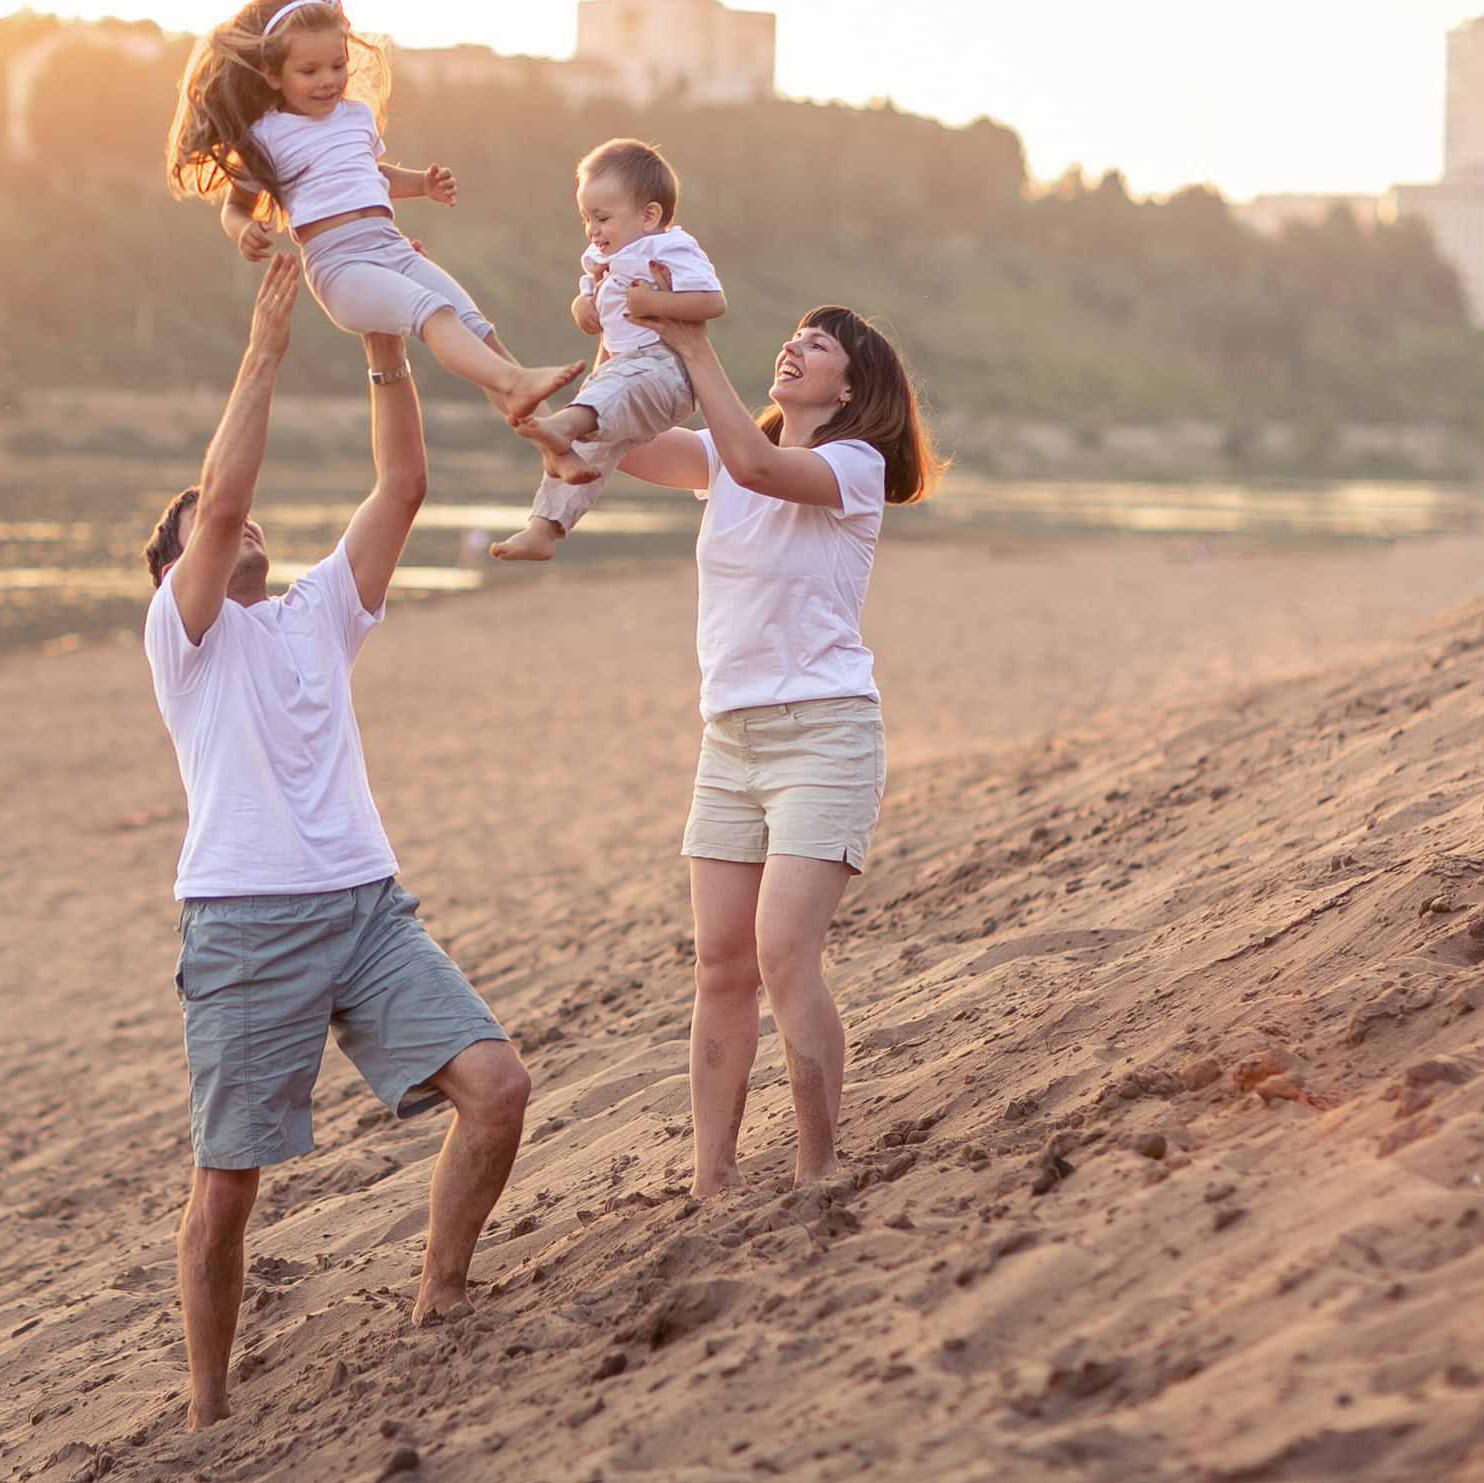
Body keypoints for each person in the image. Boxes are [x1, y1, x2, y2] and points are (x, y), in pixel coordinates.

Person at [140, 252, 533, 1428]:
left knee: (499, 1088)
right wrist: (263, 348)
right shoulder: (185, 636)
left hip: (366, 908)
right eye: (208, 527)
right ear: (171, 574)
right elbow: (215, 500)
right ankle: (210, 1408)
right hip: (245, 925)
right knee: (226, 1193)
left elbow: (402, 484)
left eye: (246, 518)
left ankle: (441, 1300)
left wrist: (381, 339)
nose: (237, 521)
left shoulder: (315, 609)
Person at [609, 281, 943, 1195]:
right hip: (730, 742)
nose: (797, 346)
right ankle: (711, 1179)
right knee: (720, 962)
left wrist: (693, 345)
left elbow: (758, 468)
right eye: (795, 334)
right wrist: (615, 329)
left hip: (825, 735)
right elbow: (625, 441)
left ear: (848, 391)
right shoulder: (724, 458)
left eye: (820, 345)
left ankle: (818, 1164)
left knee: (782, 952)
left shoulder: (855, 468)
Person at [165, 0, 582, 425]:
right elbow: (236, 207)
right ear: (272, 74)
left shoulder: (356, 116)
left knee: (476, 327)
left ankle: (552, 439)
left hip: (391, 246)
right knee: (433, 313)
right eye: (309, 71)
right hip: (340, 265)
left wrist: (422, 184)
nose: (328, 80)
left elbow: (370, 175)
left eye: (338, 65)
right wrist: (242, 229)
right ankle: (516, 385)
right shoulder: (266, 134)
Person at [495, 138, 727, 562]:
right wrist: (581, 304)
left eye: (602, 218)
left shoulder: (669, 247)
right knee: (586, 455)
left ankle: (561, 426)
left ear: (649, 215)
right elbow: (589, 289)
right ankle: (544, 528)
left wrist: (653, 303)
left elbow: (713, 302)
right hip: (619, 371)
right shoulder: (602, 256)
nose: (592, 230)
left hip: (666, 371)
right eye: (586, 218)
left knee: (600, 404)